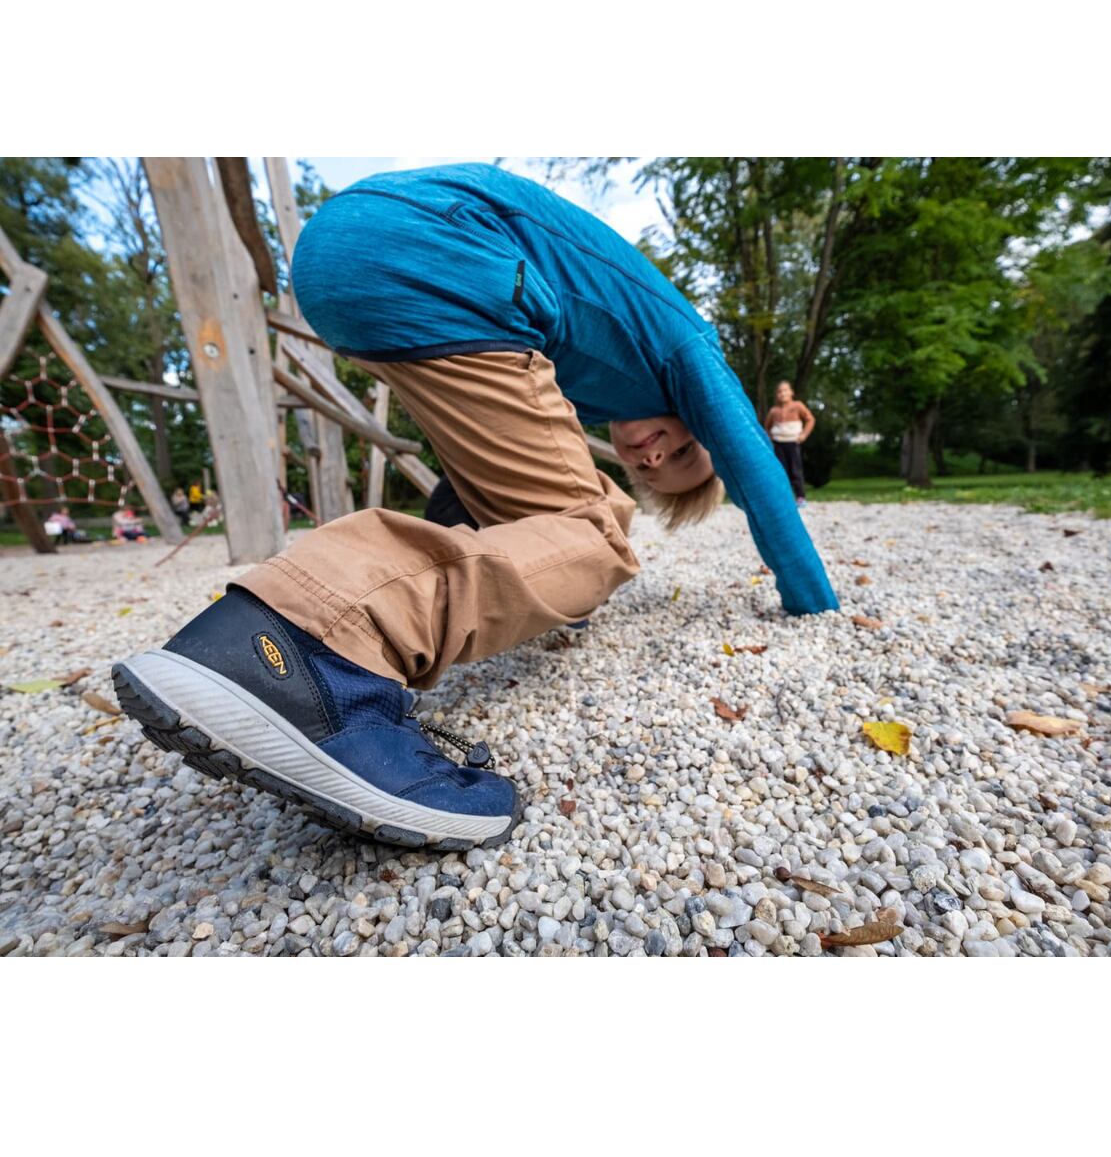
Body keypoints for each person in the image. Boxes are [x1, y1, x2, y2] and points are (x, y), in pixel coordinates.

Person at [113, 163, 839, 852]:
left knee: (546, 535)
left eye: (658, 472)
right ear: (704, 426)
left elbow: (478, 488)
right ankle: (306, 648)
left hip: (348, 251)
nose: (653, 460)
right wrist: (814, 602)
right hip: (445, 253)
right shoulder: (689, 349)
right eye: (684, 453)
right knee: (596, 536)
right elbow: (756, 474)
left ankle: (311, 627)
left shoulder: (594, 381)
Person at [763, 380, 815, 506]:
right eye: (780, 391)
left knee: (795, 470)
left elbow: (810, 419)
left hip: (793, 442)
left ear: (791, 392)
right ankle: (785, 497)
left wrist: (804, 435)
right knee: (781, 471)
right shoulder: (773, 411)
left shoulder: (797, 406)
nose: (783, 393)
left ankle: (800, 497)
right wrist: (770, 439)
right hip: (778, 444)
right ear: (776, 394)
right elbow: (766, 427)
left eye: (785, 390)